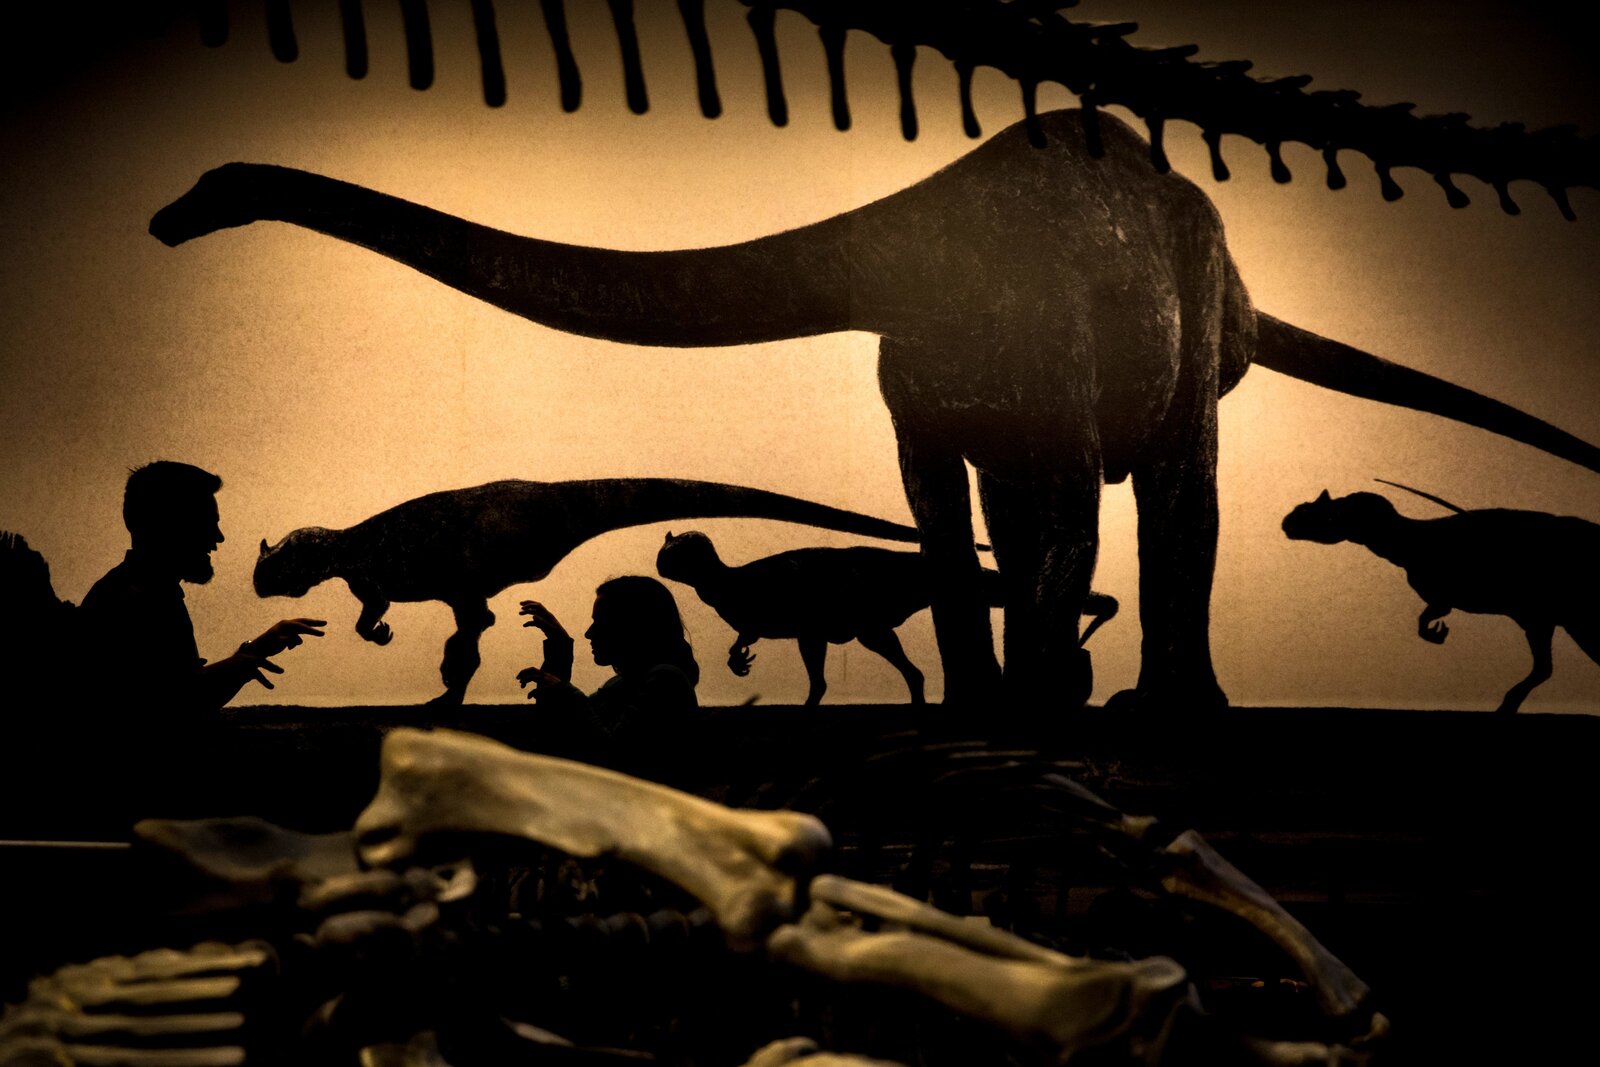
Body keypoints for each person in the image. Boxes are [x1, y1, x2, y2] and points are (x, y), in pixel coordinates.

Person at [78, 461, 326, 718]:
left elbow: (182, 694)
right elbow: (170, 708)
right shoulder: (131, 602)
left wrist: (250, 654)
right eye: (205, 523)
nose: (218, 537)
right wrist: (242, 661)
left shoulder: (144, 593)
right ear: (167, 525)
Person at [517, 576, 700, 753]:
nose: (589, 633)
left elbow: (611, 754)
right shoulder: (623, 685)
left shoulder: (666, 681)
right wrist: (559, 648)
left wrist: (564, 691)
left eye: (600, 622)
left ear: (633, 627)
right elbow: (562, 732)